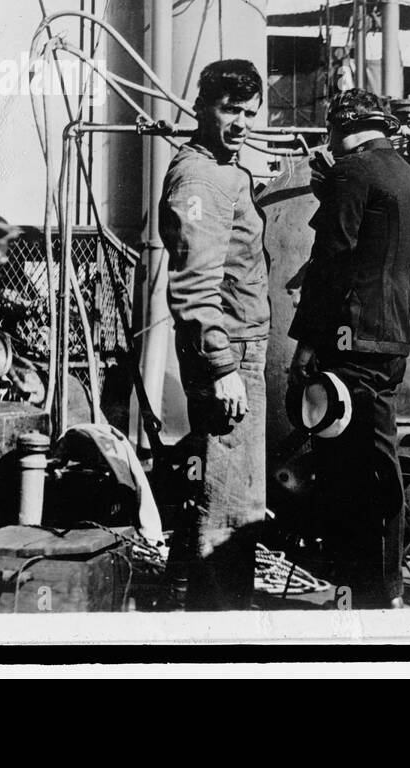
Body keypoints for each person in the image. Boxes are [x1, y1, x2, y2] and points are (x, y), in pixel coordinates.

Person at [288, 89, 410, 610]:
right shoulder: (409, 178)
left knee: (348, 478)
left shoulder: (352, 172)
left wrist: (303, 353)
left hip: (348, 344)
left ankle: (363, 596)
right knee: (376, 466)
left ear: (338, 128)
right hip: (388, 341)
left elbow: (331, 267)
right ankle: (382, 590)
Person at [159, 59, 270, 610]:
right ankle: (221, 629)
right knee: (228, 503)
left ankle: (213, 613)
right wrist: (223, 367)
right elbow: (193, 288)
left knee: (232, 496)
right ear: (201, 106)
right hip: (230, 352)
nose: (242, 122)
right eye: (230, 110)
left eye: (250, 112)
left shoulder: (224, 170)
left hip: (239, 346)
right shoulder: (202, 178)